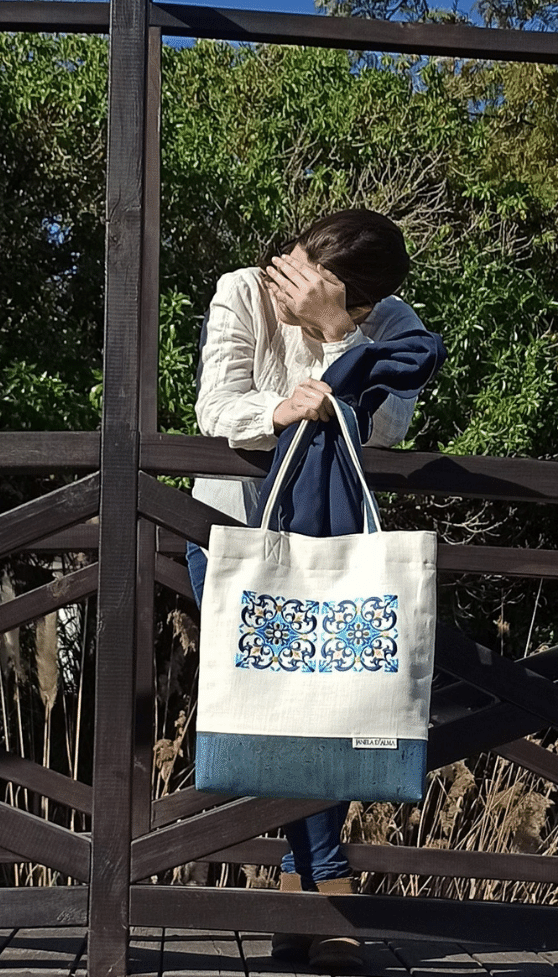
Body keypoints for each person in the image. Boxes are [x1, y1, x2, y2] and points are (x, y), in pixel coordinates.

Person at [186, 209, 436, 970]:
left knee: (335, 704)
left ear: (357, 298)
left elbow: (385, 430)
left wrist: (335, 340)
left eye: (309, 275)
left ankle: (307, 887)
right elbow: (215, 408)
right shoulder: (242, 290)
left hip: (333, 547)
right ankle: (322, 888)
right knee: (277, 705)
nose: (284, 276)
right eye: (289, 258)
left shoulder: (392, 324)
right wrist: (281, 408)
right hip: (234, 532)